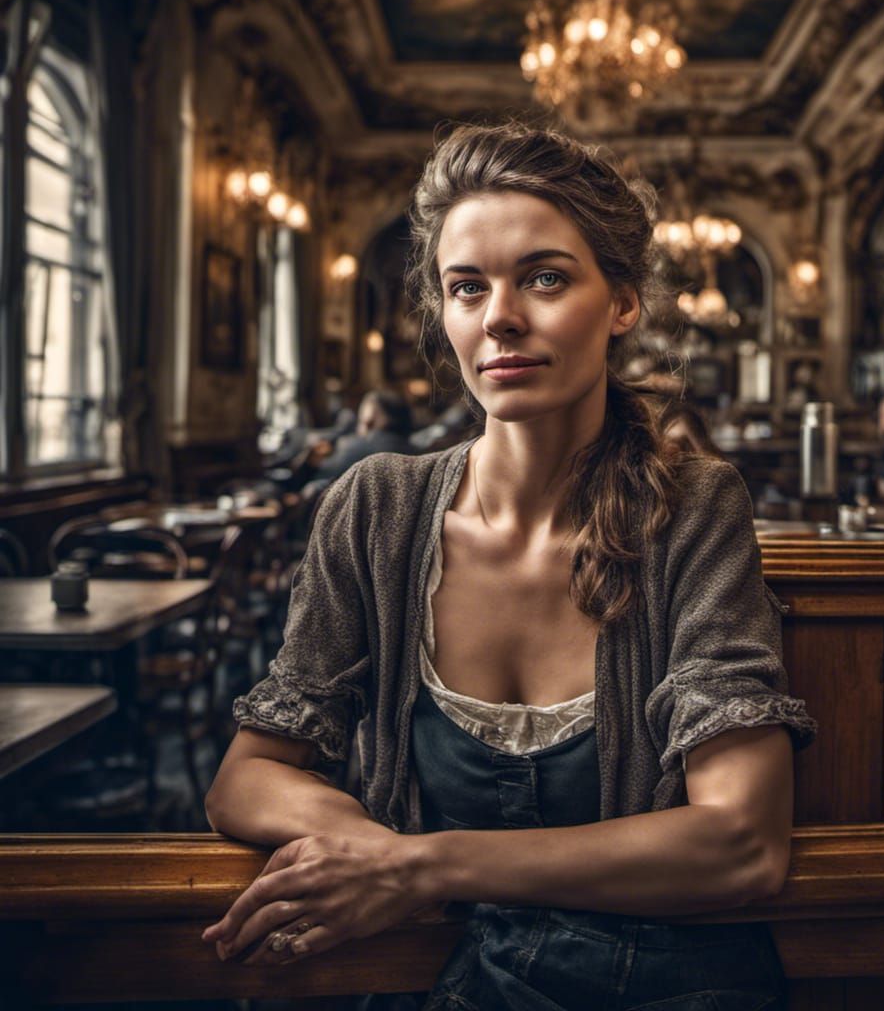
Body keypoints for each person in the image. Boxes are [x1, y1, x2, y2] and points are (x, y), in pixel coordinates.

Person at [201, 122, 817, 1010]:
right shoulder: (376, 508)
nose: (499, 316)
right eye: (467, 287)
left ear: (623, 303)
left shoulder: (692, 508)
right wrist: (356, 843)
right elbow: (243, 780)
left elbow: (743, 845)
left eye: (544, 277)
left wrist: (419, 866)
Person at [311, 389, 416, 481]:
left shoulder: (352, 448)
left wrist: (312, 461)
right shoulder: (416, 453)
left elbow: (321, 476)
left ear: (369, 421)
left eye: (360, 421)